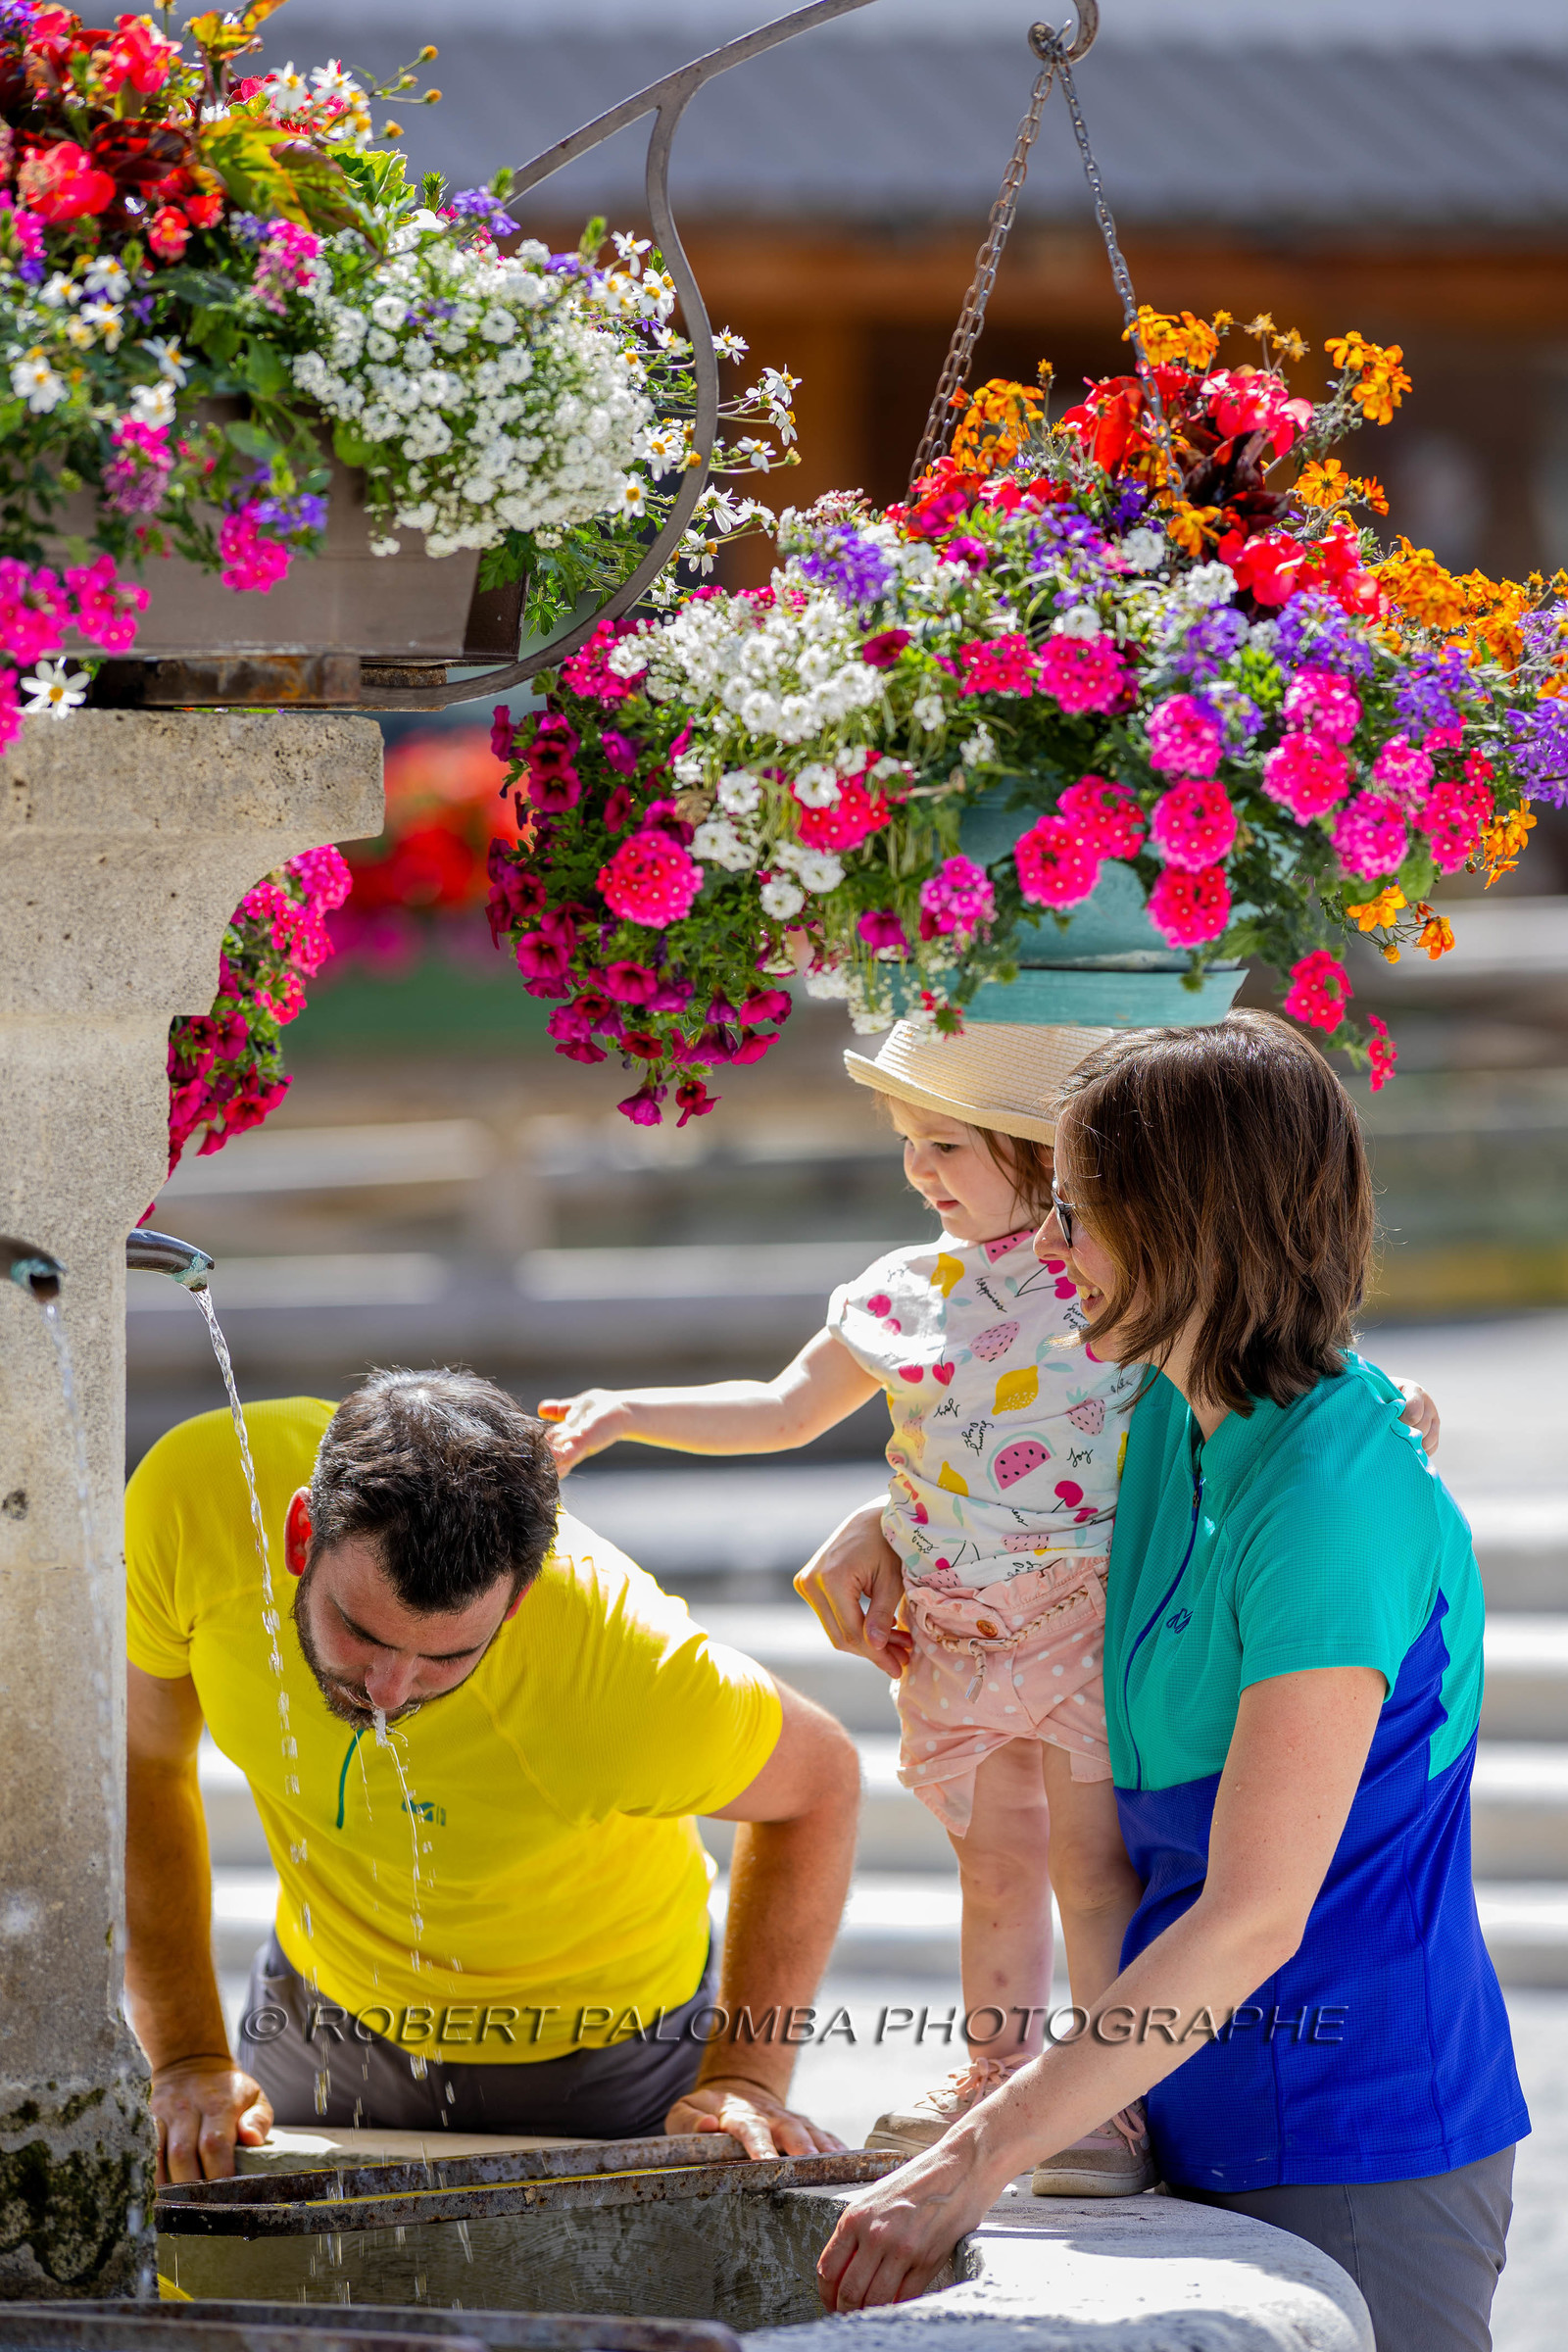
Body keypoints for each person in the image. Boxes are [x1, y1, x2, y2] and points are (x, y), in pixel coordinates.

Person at [539, 1017, 1440, 2199]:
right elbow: (779, 1407)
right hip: (956, 1625)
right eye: (908, 1142)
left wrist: (1389, 1398)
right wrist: (627, 1409)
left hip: (1082, 1610)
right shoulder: (905, 1292)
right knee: (993, 1864)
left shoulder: (1114, 1275)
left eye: (946, 1145)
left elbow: (1254, 1343)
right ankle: (995, 2069)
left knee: (1088, 1863)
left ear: (1036, 1150)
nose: (918, 1168)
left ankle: (1105, 2102)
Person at [812, 1012, 1525, 2352]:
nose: (1047, 1249)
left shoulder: (1330, 1501)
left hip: (1356, 2143)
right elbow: (1009, 1466)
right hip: (1182, 2107)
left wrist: (969, 2161)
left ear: (1184, 1223)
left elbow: (1254, 1917)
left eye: (1079, 1214)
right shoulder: (1160, 1427)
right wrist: (888, 1524)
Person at [125, 1368, 858, 2182]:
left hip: (615, 2057)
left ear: (514, 1604)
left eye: (446, 1655)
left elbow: (820, 1782)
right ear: (302, 1536)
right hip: (323, 2017)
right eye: (359, 1629)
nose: (388, 1692)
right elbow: (141, 1759)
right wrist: (188, 2056)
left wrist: (746, 2079)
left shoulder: (625, 1668)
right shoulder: (199, 1500)